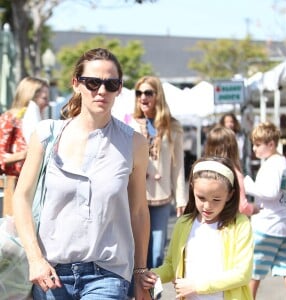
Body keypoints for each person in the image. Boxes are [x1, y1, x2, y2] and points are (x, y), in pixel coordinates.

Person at [13, 48, 151, 299]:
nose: (101, 91)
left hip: (108, 273)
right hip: (50, 272)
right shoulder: (46, 135)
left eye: (111, 84)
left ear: (119, 89)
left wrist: (140, 271)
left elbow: (139, 211)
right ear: (76, 84)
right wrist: (35, 259)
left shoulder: (135, 144)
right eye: (93, 82)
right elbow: (20, 198)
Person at [141, 156, 253, 299]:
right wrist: (155, 275)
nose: (207, 206)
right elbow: (171, 264)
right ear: (193, 188)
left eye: (216, 199)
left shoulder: (240, 224)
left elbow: (242, 273)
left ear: (230, 195)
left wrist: (197, 287)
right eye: (201, 197)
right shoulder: (184, 223)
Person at [128, 75, 186, 270]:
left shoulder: (173, 127)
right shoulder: (129, 124)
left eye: (148, 93)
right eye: (139, 93)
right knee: (136, 249)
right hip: (135, 195)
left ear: (157, 95)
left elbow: (178, 165)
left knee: (157, 251)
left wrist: (181, 198)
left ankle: (153, 293)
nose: (143, 97)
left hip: (161, 195)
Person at [244, 121, 286, 300]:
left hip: (268, 225)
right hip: (285, 226)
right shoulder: (283, 162)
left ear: (271, 144)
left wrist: (247, 185)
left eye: (258, 144)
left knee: (255, 267)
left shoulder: (273, 164)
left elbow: (270, 192)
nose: (255, 148)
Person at [204, 125, 259, 216]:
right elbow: (242, 207)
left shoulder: (203, 170)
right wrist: (254, 208)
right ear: (233, 147)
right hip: (230, 223)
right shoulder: (233, 172)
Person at [0, 76, 49, 177]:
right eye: (44, 98)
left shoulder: (41, 123)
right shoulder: (9, 119)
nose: (47, 103)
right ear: (29, 97)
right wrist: (26, 154)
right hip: (13, 186)